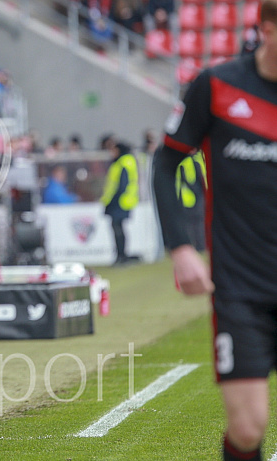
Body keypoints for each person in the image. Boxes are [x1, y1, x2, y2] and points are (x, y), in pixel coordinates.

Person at [153, 4, 277, 460]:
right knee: (247, 429)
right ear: (266, 29)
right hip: (240, 286)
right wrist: (181, 247)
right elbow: (166, 161)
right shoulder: (218, 85)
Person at [101, 141, 139, 265]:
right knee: (118, 228)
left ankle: (121, 255)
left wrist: (112, 200)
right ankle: (121, 255)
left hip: (120, 202)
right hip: (121, 201)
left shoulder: (123, 162)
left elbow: (121, 185)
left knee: (117, 229)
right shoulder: (123, 162)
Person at [175, 150, 206, 252]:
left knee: (192, 224)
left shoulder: (183, 161)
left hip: (188, 197)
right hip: (194, 196)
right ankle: (199, 246)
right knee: (197, 223)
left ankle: (196, 245)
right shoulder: (195, 160)